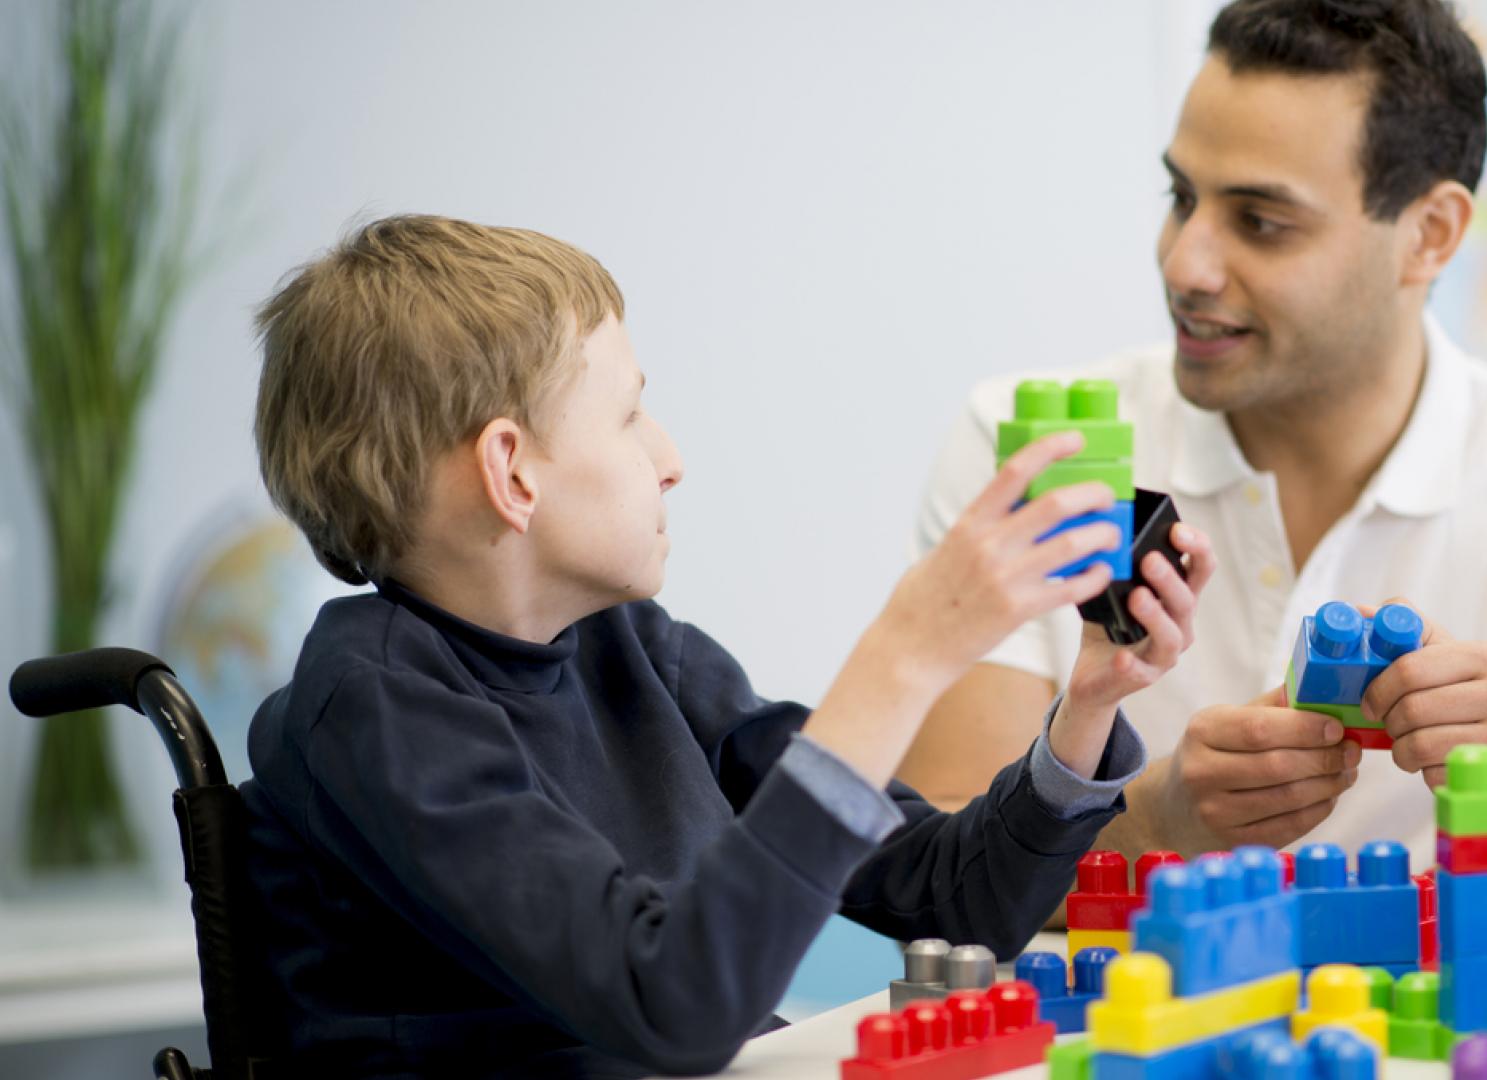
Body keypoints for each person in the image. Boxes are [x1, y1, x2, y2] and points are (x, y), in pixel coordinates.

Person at [237, 215, 1215, 1078]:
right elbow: (671, 1008)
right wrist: (903, 655)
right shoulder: (371, 707)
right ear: (511, 472)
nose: (669, 460)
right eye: (626, 416)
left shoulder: (634, 652)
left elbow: (950, 909)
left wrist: (1086, 709)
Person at [901, 0, 1487, 893]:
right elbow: (931, 872)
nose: (1185, 264)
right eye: (1182, 196)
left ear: (1429, 235)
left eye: (1261, 221)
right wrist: (1153, 821)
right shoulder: (1032, 452)